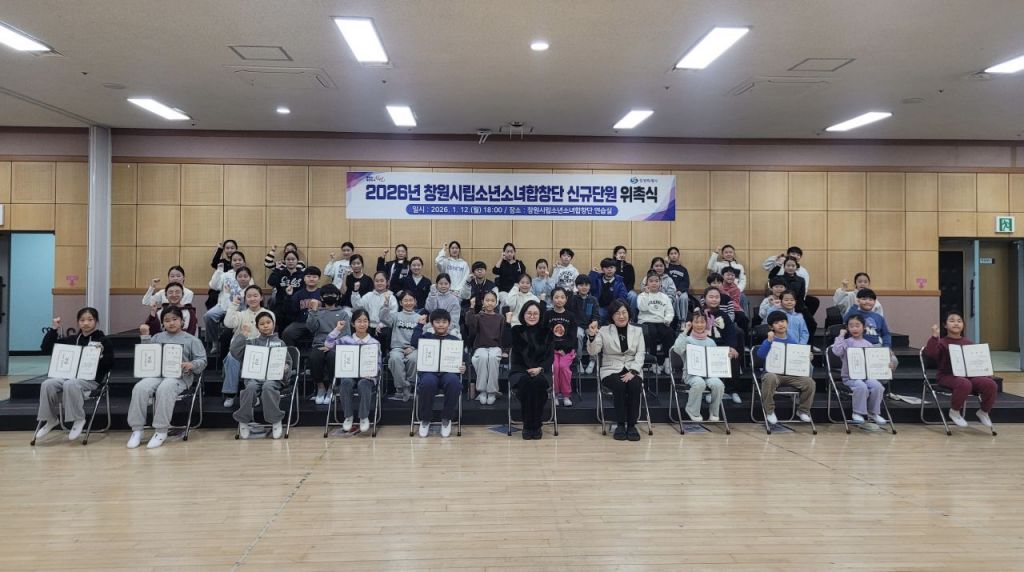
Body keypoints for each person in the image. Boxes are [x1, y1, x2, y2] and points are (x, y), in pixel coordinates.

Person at [127, 307, 207, 449]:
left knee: (165, 388)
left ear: (182, 321)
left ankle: (161, 430)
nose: (171, 323)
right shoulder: (157, 337)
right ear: (162, 323)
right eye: (167, 320)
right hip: (157, 374)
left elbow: (202, 360)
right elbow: (147, 354)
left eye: (175, 319)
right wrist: (145, 337)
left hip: (179, 377)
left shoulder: (192, 340)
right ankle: (137, 430)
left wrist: (192, 364)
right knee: (140, 387)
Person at [34, 308, 115, 442]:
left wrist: (100, 355)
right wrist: (54, 329)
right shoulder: (72, 340)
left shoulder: (103, 341)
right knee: (47, 384)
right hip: (68, 376)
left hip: (91, 380)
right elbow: (46, 348)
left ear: (96, 321)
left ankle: (78, 419)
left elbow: (110, 364)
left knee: (70, 384)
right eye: (82, 320)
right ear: (78, 322)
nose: (86, 323)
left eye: (90, 319)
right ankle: (50, 419)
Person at [923, 312, 997, 428]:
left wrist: (985, 372)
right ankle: (955, 411)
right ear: (945, 325)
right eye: (952, 321)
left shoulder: (969, 343)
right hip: (947, 376)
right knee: (964, 383)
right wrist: (934, 336)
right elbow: (931, 353)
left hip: (969, 376)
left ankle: (983, 412)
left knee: (990, 384)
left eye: (959, 321)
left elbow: (975, 362)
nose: (956, 323)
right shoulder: (941, 342)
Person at [586, 300, 645, 441]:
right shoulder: (604, 331)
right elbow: (593, 351)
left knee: (635, 384)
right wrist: (592, 336)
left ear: (629, 314)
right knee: (619, 385)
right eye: (617, 313)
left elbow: (641, 353)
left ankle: (632, 425)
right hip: (610, 369)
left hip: (632, 368)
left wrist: (634, 371)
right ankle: (620, 424)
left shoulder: (637, 331)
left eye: (624, 312)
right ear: (612, 316)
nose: (621, 316)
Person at [231, 310, 293, 439]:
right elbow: (235, 351)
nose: (265, 326)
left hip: (273, 378)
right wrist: (243, 335)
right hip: (254, 378)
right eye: (262, 324)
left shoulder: (280, 343)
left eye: (268, 322)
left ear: (273, 324)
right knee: (250, 388)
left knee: (268, 387)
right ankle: (244, 420)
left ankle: (275, 420)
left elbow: (288, 362)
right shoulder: (252, 342)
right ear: (257, 327)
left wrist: (285, 368)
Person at [411, 309, 466, 438]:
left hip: (448, 372)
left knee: (454, 383)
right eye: (437, 322)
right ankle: (425, 419)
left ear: (449, 323)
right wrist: (419, 325)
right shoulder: (426, 337)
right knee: (427, 383)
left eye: (444, 322)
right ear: (432, 324)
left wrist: (463, 367)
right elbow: (414, 342)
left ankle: (447, 418)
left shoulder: (455, 340)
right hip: (429, 372)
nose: (441, 325)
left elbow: (463, 358)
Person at [754, 311, 815, 426]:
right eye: (776, 323)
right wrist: (769, 342)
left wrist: (807, 357)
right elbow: (760, 355)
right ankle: (769, 411)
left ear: (787, 323)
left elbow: (797, 360)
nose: (781, 324)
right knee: (769, 377)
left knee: (809, 382)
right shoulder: (768, 341)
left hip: (791, 374)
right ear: (771, 327)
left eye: (782, 321)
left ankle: (803, 411)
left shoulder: (792, 341)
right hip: (774, 374)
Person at [324, 309, 380, 434]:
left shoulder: (374, 342)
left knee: (363, 384)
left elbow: (379, 364)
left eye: (365, 321)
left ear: (369, 323)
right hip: (349, 374)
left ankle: (363, 417)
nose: (362, 324)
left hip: (367, 376)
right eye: (359, 321)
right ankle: (348, 416)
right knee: (346, 383)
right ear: (353, 324)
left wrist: (372, 372)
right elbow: (328, 344)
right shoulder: (345, 340)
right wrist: (337, 329)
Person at [831, 315, 889, 425]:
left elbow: (874, 362)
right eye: (851, 326)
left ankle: (873, 413)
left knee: (878, 386)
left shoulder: (868, 344)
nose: (854, 328)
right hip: (850, 377)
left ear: (864, 327)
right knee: (861, 387)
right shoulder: (846, 342)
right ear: (847, 328)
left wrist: (886, 365)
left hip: (866, 376)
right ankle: (857, 412)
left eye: (857, 325)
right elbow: (837, 351)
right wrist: (841, 335)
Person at [509, 301, 553, 439]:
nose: (532, 316)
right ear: (523, 314)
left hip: (542, 370)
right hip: (520, 370)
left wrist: (540, 368)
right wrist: (506, 323)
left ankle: (535, 425)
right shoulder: (516, 330)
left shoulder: (547, 332)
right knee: (527, 383)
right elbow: (504, 342)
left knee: (538, 383)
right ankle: (529, 426)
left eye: (535, 314)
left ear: (540, 315)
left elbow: (550, 357)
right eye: (529, 313)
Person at [221, 284, 271, 408]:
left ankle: (255, 394)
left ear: (261, 297)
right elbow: (228, 323)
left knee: (253, 358)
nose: (252, 299)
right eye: (249, 296)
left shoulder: (268, 314)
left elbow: (269, 333)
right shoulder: (241, 314)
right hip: (240, 349)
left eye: (255, 296)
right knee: (231, 357)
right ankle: (230, 394)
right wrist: (234, 305)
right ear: (245, 299)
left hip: (259, 350)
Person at [671, 312, 725, 422]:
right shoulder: (687, 339)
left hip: (709, 374)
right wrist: (685, 330)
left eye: (702, 322)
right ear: (691, 323)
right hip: (691, 375)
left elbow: (716, 360)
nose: (699, 325)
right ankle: (692, 410)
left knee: (718, 384)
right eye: (696, 322)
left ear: (706, 323)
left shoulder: (711, 342)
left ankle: (714, 412)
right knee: (699, 383)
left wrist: (725, 357)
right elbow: (677, 349)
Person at [305, 284, 351, 405]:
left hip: (336, 346)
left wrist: (332, 345)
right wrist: (313, 311)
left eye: (333, 294)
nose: (330, 296)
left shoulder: (343, 313)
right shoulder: (317, 312)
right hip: (319, 344)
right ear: (321, 298)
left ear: (338, 296)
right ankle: (320, 387)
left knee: (332, 356)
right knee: (314, 357)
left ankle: (332, 387)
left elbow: (346, 334)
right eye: (326, 294)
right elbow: (311, 327)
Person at [701, 286, 743, 403]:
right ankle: (709, 390)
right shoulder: (699, 314)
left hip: (721, 348)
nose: (714, 299)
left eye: (717, 297)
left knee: (733, 356)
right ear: (705, 299)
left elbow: (731, 333)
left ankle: (731, 391)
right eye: (711, 297)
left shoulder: (724, 315)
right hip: (704, 347)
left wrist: (732, 347)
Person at [380, 291, 421, 402]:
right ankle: (402, 387)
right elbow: (383, 318)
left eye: (411, 300)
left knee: (414, 359)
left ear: (415, 302)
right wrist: (386, 305)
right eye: (405, 300)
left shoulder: (420, 318)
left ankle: (409, 387)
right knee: (394, 359)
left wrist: (412, 348)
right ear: (401, 303)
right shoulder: (396, 316)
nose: (408, 303)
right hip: (397, 348)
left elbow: (423, 336)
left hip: (414, 348)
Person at [465, 291, 503, 405]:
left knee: (492, 357)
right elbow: (469, 323)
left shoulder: (500, 317)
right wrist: (472, 307)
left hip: (495, 347)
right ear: (482, 302)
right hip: (480, 347)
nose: (490, 303)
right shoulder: (478, 316)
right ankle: (482, 390)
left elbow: (503, 335)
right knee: (483, 357)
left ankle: (492, 391)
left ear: (496, 303)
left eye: (492, 301)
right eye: (487, 300)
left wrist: (505, 350)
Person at [204, 251, 247, 349]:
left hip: (239, 307)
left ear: (244, 262)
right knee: (208, 316)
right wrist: (219, 271)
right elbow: (213, 286)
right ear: (231, 263)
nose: (237, 262)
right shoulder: (225, 275)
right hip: (223, 306)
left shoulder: (247, 274)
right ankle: (215, 342)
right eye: (234, 260)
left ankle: (239, 344)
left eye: (240, 260)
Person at [637, 272, 675, 374]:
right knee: (652, 332)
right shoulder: (641, 295)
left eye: (656, 281)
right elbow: (642, 308)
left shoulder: (664, 297)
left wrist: (667, 319)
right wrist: (646, 295)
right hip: (646, 321)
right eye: (651, 281)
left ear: (660, 283)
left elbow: (670, 311)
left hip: (661, 321)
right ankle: (653, 362)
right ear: (646, 283)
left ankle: (667, 362)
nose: (654, 283)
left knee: (669, 332)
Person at [548, 287, 578, 407]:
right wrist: (554, 348)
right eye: (556, 297)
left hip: (567, 350)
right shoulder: (548, 314)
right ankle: (555, 394)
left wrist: (565, 349)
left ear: (566, 299)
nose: (559, 300)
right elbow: (545, 334)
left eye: (562, 297)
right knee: (555, 367)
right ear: (552, 299)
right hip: (551, 350)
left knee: (564, 367)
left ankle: (566, 395)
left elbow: (572, 336)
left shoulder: (571, 316)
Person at [281, 266, 323, 348]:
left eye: (314, 277)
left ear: (319, 279)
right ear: (304, 278)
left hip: (318, 323)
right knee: (287, 333)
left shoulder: (322, 292)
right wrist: (289, 296)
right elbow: (290, 310)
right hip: (301, 323)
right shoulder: (298, 294)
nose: (311, 279)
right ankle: (291, 354)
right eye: (308, 276)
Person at [351, 271, 398, 341]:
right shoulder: (368, 295)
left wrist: (382, 324)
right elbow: (357, 308)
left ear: (387, 282)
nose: (379, 283)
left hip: (383, 327)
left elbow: (393, 318)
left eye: (382, 281)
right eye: (377, 281)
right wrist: (355, 292)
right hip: (368, 326)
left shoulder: (391, 297)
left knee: (384, 332)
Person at [568, 274, 600, 374]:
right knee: (578, 335)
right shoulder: (573, 299)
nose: (584, 287)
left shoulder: (593, 300)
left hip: (589, 325)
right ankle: (578, 360)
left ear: (590, 286)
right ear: (577, 286)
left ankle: (592, 360)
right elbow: (570, 314)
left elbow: (596, 315)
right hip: (578, 325)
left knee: (594, 334)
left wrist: (594, 321)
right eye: (581, 285)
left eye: (586, 285)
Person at [268, 250, 304, 332]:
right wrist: (276, 269)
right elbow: (271, 282)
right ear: (285, 261)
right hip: (281, 308)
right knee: (282, 332)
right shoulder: (280, 273)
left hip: (296, 308)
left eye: (293, 259)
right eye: (288, 259)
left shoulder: (302, 275)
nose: (290, 261)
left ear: (297, 261)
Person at [589, 258, 629, 323]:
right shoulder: (598, 279)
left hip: (614, 307)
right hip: (600, 307)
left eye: (611, 267)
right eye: (606, 268)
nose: (609, 270)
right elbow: (591, 288)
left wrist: (615, 308)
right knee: (600, 314)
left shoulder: (619, 281)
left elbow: (622, 296)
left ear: (615, 269)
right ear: (602, 270)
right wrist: (593, 273)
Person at [206, 240, 239, 310]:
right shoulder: (222, 262)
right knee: (212, 297)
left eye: (232, 248)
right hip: (219, 289)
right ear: (224, 249)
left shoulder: (238, 263)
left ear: (236, 249)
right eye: (227, 248)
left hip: (232, 291)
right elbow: (214, 263)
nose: (230, 250)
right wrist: (220, 249)